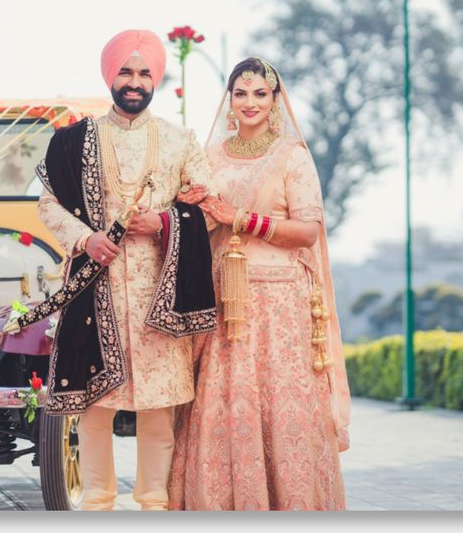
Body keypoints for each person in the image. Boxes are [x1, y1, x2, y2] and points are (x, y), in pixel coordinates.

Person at [35, 29, 215, 511]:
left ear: (154, 79)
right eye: (125, 72)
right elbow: (49, 207)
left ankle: (153, 504)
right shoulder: (73, 141)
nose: (134, 82)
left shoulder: (181, 141)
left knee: (159, 408)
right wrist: (85, 239)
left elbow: (205, 205)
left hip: (160, 293)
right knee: (95, 406)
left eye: (144, 73)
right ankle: (97, 504)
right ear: (110, 77)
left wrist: (161, 222)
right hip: (98, 288)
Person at [167, 57, 351, 511]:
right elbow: (197, 225)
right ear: (230, 100)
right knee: (223, 405)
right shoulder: (209, 157)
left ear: (274, 100)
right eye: (241, 93)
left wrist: (239, 217)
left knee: (281, 406)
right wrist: (193, 209)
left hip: (280, 304)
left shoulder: (292, 156)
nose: (250, 102)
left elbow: (307, 231)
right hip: (223, 299)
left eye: (260, 93)